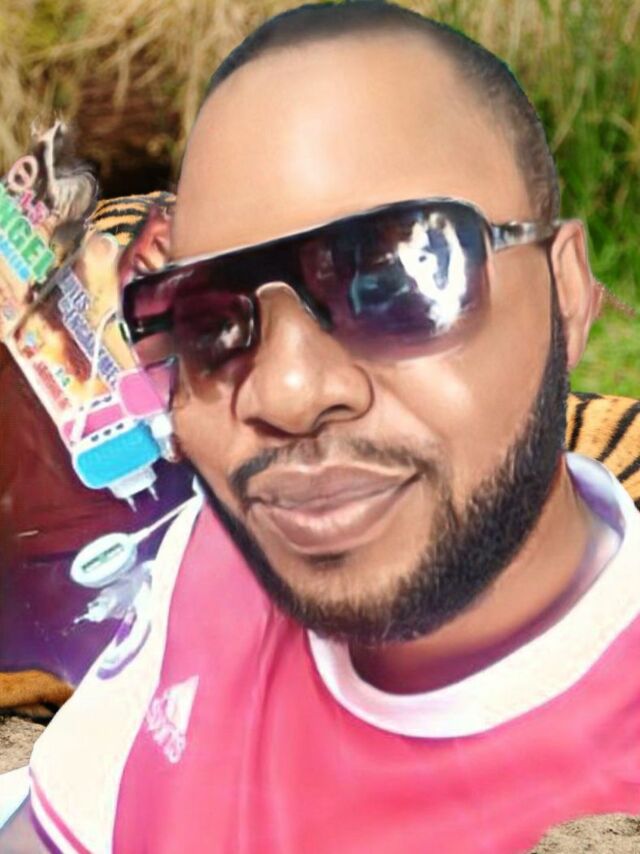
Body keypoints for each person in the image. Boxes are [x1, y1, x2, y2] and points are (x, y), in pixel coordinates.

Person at [4, 2, 640, 851]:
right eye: (208, 322)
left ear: (567, 291)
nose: (288, 393)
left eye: (399, 278)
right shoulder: (205, 557)